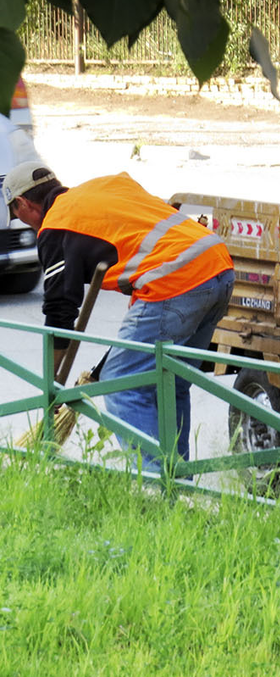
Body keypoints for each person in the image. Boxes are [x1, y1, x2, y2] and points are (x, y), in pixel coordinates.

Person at [4, 161, 235, 470]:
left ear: (22, 203)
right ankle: (178, 486)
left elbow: (59, 312)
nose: (21, 221)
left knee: (121, 384)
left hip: (175, 281)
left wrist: (50, 383)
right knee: (171, 383)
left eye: (15, 213)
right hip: (218, 267)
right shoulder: (104, 187)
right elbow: (142, 252)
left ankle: (155, 488)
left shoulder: (56, 225)